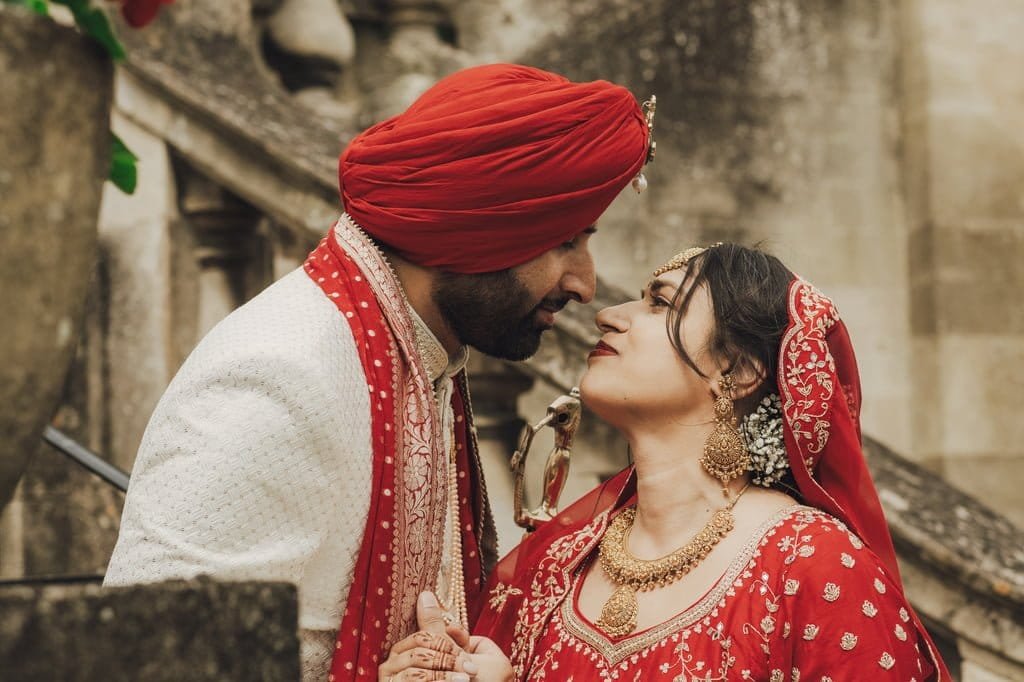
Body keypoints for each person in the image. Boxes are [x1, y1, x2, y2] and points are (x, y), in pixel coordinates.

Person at [103, 64, 653, 682]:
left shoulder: (421, 356)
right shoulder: (279, 379)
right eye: (565, 243)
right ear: (479, 232)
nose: (584, 284)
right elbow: (150, 663)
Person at [385, 243, 951, 680]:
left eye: (660, 302)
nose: (609, 314)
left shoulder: (815, 568)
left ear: (739, 368)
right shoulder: (553, 566)